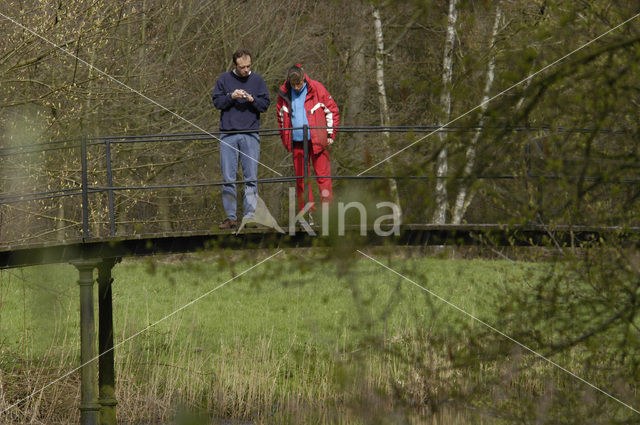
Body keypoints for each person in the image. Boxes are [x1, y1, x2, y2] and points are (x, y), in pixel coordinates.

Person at [212, 49, 270, 229]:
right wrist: (231, 96)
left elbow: (265, 105)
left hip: (250, 133)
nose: (246, 70)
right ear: (235, 66)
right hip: (228, 134)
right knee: (228, 177)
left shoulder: (258, 80)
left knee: (251, 177)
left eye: (248, 66)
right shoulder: (223, 79)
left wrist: (252, 100)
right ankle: (230, 217)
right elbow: (217, 103)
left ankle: (250, 216)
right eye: (242, 67)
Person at [276, 65, 339, 224]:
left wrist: (331, 134)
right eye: (294, 84)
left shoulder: (317, 88)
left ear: (304, 78)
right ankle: (307, 213)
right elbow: (280, 117)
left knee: (323, 178)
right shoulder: (284, 93)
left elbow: (332, 110)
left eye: (299, 84)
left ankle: (328, 214)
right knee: (302, 179)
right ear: (289, 81)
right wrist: (285, 138)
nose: (297, 87)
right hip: (297, 142)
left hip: (318, 140)